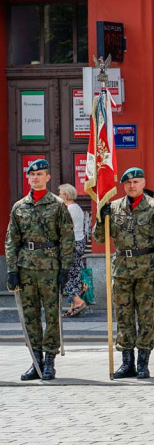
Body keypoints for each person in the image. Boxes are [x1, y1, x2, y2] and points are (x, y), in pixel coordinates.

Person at [92, 167, 154, 379]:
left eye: (137, 181)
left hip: (147, 269)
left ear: (143, 182)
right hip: (121, 269)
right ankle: (127, 362)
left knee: (146, 316)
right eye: (128, 183)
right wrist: (101, 219)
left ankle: (143, 363)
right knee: (123, 316)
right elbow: (100, 239)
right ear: (124, 185)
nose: (132, 185)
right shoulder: (114, 207)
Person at [5, 159, 74, 381]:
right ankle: (36, 361)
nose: (35, 178)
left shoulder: (57, 205)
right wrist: (12, 270)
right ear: (29, 178)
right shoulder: (19, 206)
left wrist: (65, 268)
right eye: (32, 175)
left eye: (40, 174)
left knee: (52, 315)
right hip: (26, 267)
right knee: (30, 316)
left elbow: (67, 238)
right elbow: (11, 240)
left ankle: (50, 361)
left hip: (50, 267)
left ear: (47, 178)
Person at [58, 184, 89, 317]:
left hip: (71, 244)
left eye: (60, 193)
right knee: (75, 274)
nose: (59, 195)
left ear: (65, 195)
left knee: (67, 273)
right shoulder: (77, 208)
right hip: (79, 242)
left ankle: (78, 301)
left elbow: (63, 229)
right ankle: (72, 307)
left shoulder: (68, 209)